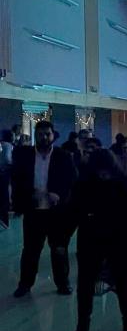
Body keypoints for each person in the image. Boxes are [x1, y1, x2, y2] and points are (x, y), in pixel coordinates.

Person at [70, 149, 127, 331]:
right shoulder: (84, 186)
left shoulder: (125, 185)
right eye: (100, 171)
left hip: (121, 241)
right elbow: (73, 213)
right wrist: (61, 238)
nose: (103, 175)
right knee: (85, 284)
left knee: (124, 284)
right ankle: (83, 323)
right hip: (91, 241)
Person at [12, 121, 77, 297]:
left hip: (57, 212)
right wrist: (26, 198)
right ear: (35, 135)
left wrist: (60, 195)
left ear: (53, 135)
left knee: (59, 249)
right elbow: (17, 181)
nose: (44, 137)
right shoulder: (24, 155)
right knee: (31, 250)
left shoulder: (63, 156)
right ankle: (25, 284)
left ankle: (63, 283)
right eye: (40, 134)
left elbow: (72, 181)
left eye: (47, 134)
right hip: (34, 212)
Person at [0, 129, 13, 229]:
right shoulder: (8, 145)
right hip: (4, 172)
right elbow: (8, 159)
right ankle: (4, 220)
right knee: (4, 195)